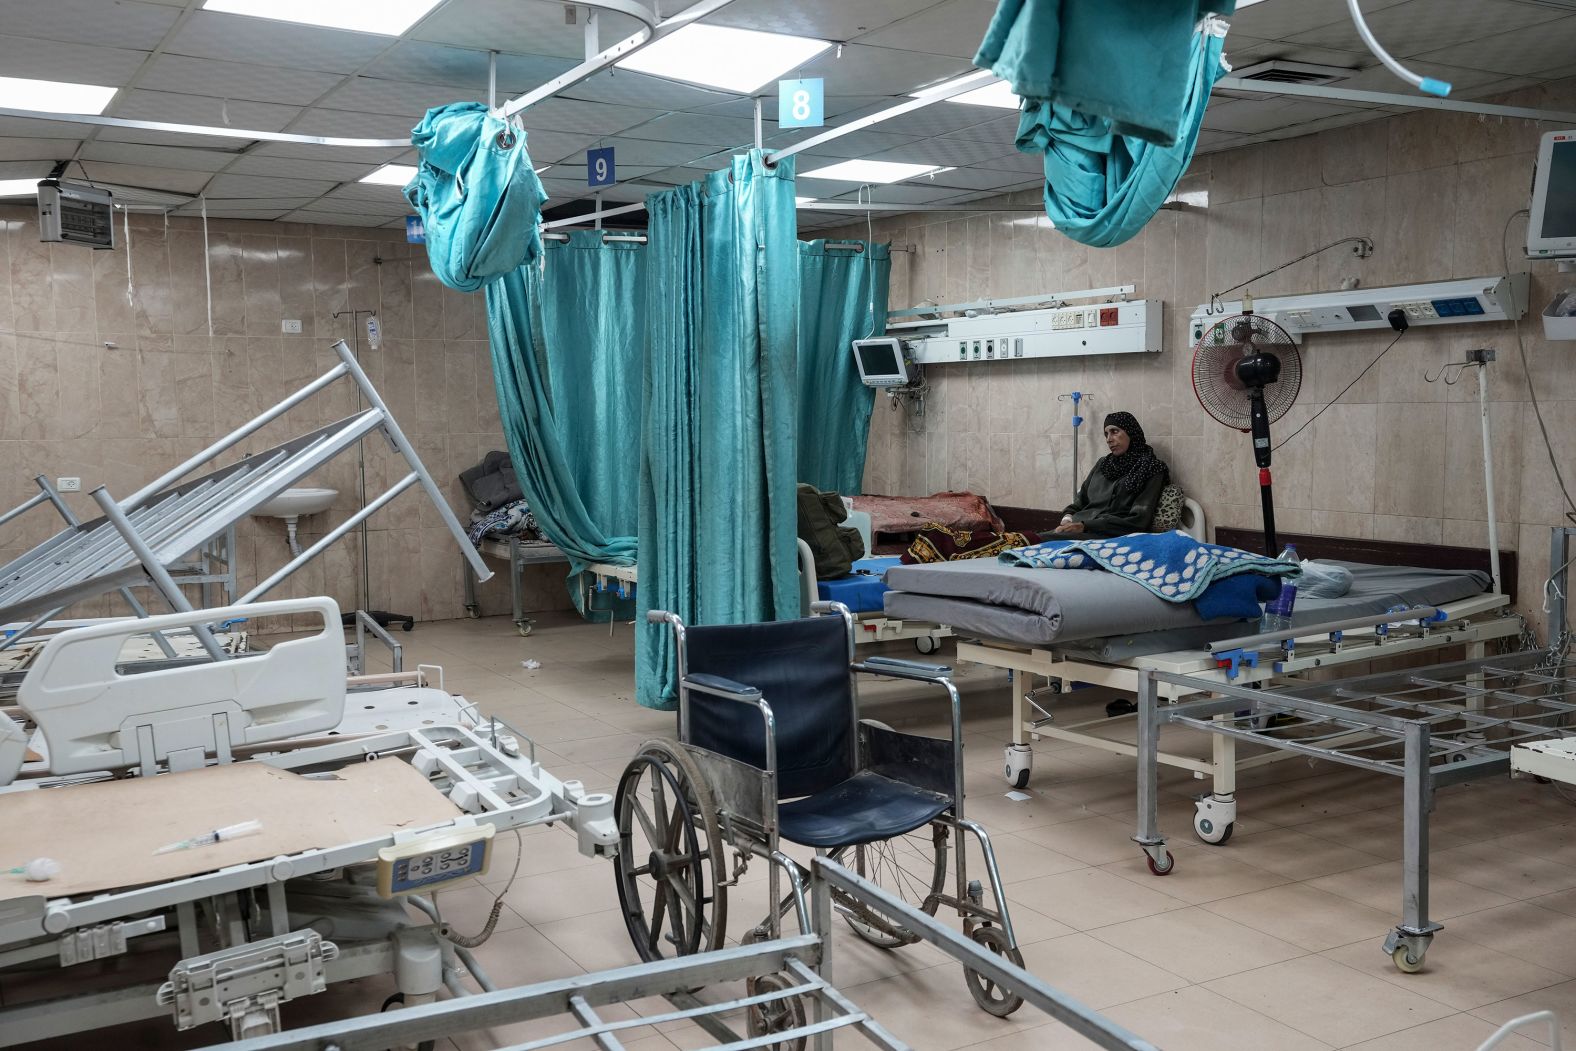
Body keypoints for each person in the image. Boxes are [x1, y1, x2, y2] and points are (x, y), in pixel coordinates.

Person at [1054, 411, 1169, 538]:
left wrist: (1085, 526)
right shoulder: (1103, 464)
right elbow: (1080, 502)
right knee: (1036, 541)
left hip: (1109, 534)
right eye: (1106, 434)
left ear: (1131, 432)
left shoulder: (1151, 468)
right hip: (1077, 529)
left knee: (1038, 544)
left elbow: (1138, 520)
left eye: (1114, 432)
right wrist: (1067, 519)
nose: (1109, 439)